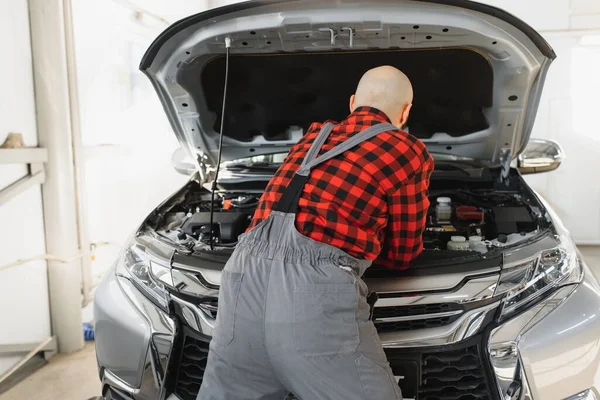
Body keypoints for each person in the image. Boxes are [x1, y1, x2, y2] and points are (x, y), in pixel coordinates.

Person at [198, 65, 434, 400]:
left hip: (241, 279)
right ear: (406, 111)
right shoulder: (406, 149)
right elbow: (403, 254)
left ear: (352, 103)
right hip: (312, 296)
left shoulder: (315, 136)